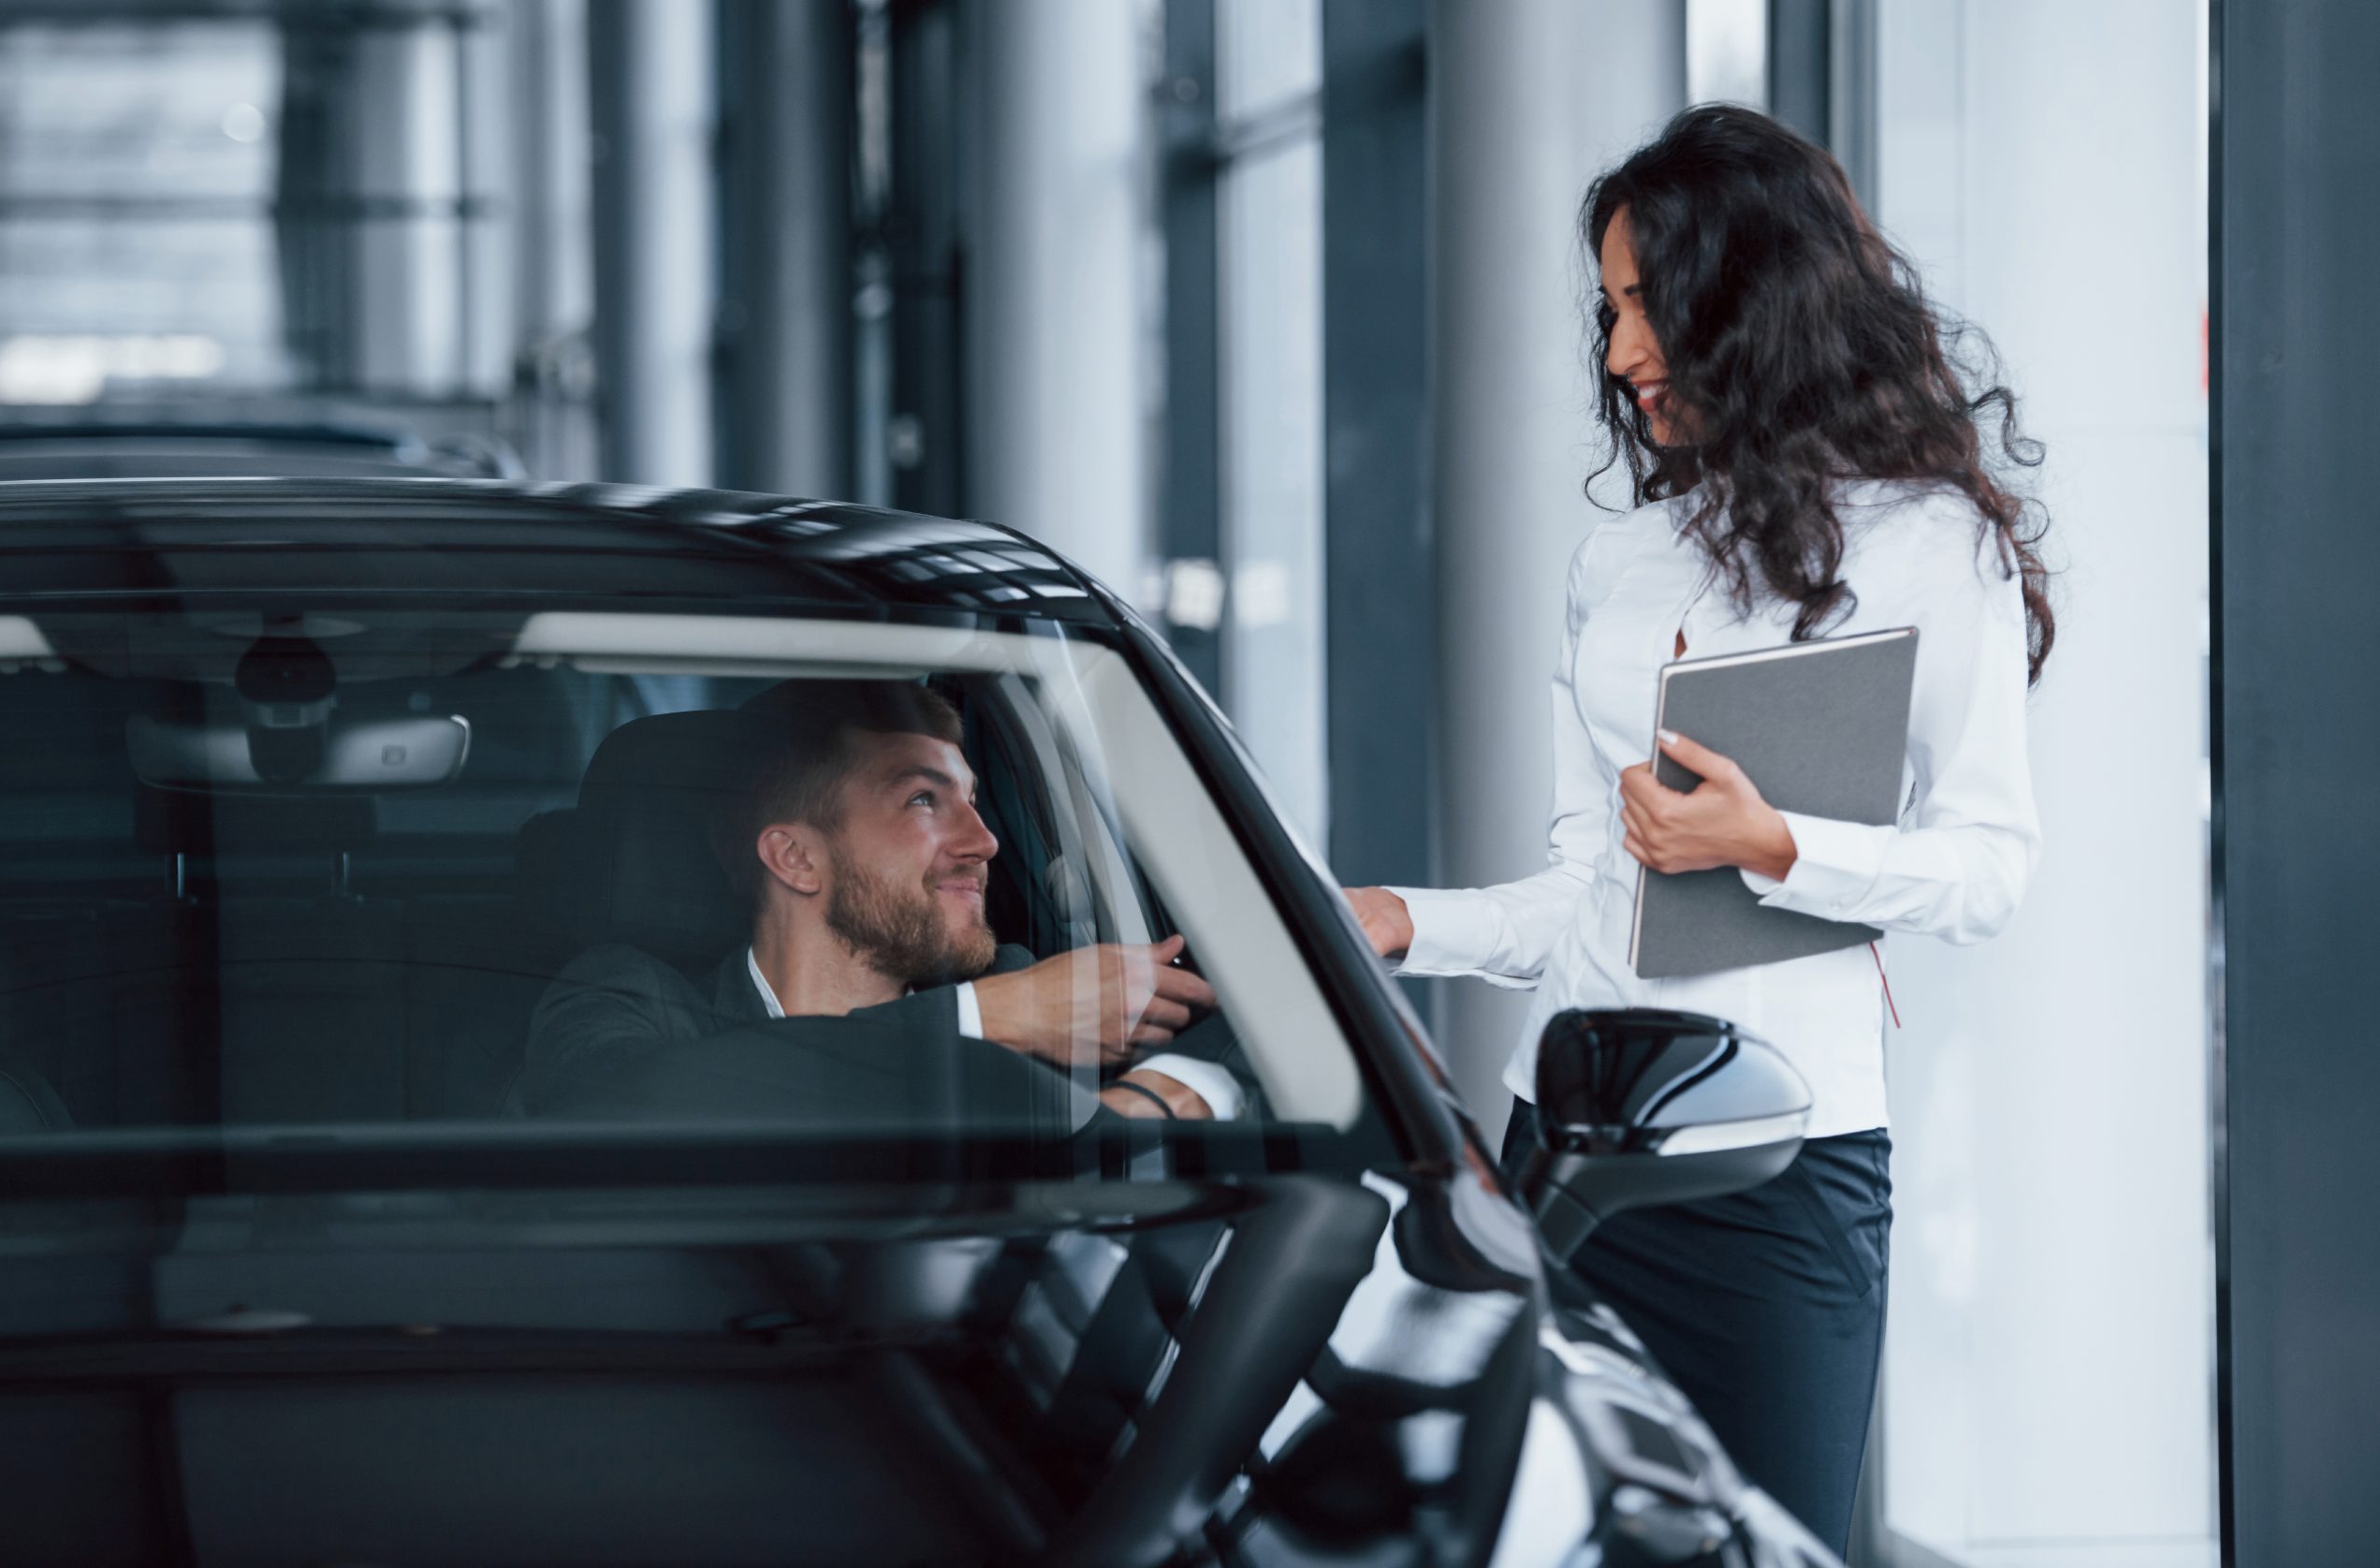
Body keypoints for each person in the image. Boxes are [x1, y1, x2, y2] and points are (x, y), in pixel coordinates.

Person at [1343, 105, 2051, 1553]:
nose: (1618, 352)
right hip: (1568, 1148)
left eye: (1644, 303)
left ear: (1750, 296)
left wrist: (1775, 843)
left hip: (1776, 1173)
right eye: (1608, 309)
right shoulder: (1619, 558)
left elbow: (1990, 866)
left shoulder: (1931, 545)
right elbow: (1587, 886)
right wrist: (1411, 922)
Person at [517, 680, 1243, 1131]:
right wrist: (980, 1020)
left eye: (973, 800)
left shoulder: (1019, 983)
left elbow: (1245, 1054)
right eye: (924, 799)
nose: (984, 841)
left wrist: (1180, 1090)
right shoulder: (629, 996)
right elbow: (615, 1115)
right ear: (795, 857)